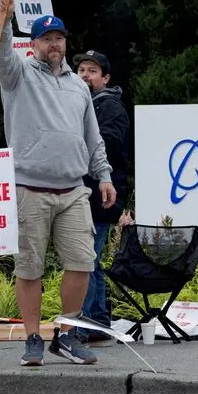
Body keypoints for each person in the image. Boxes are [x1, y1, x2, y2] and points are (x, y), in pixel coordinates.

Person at [0, 0, 116, 367]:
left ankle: (67, 334)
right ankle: (32, 339)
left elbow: (92, 137)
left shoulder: (79, 86)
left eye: (59, 38)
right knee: (29, 268)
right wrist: (4, 18)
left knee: (82, 263)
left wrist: (104, 175)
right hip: (29, 188)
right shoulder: (17, 74)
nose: (54, 44)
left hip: (75, 188)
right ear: (33, 45)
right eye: (46, 38)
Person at [73, 50, 129, 344]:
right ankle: (97, 320)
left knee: (86, 260)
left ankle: (87, 324)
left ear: (105, 78)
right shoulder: (80, 104)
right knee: (89, 259)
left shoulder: (110, 108)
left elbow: (106, 144)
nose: (85, 75)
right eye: (81, 69)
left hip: (100, 196)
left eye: (92, 71)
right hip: (86, 195)